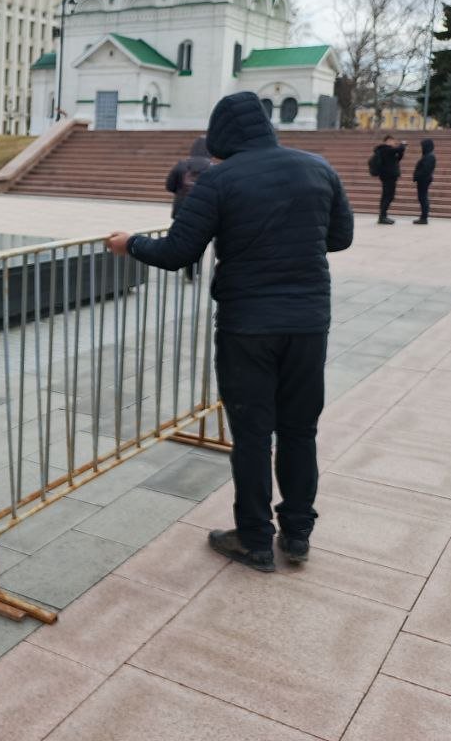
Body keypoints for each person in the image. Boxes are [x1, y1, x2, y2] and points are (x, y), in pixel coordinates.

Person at [104, 91, 354, 573]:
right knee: (300, 430)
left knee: (254, 435)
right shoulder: (318, 168)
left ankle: (256, 539)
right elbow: (339, 238)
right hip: (307, 324)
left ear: (222, 135)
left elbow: (178, 252)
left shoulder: (220, 180)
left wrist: (129, 243)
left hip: (247, 327)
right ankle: (298, 534)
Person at [165, 136, 213, 280]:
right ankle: (193, 269)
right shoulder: (213, 168)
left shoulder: (181, 165)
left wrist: (181, 193)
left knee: (181, 238)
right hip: (203, 211)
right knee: (200, 240)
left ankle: (182, 263)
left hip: (181, 209)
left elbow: (169, 185)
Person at [371, 134, 407, 224]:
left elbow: (398, 158)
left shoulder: (389, 150)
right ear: (387, 141)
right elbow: (398, 149)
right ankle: (382, 216)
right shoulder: (384, 149)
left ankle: (383, 215)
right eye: (392, 140)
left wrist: (401, 150)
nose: (394, 142)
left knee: (387, 196)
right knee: (388, 196)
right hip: (388, 176)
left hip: (390, 176)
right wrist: (402, 144)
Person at [413, 138, 436, 225]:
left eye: (423, 146)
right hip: (423, 180)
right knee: (422, 198)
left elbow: (425, 170)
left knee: (423, 198)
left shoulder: (429, 156)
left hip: (424, 180)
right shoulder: (428, 155)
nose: (421, 147)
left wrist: (417, 176)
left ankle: (424, 218)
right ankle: (423, 217)